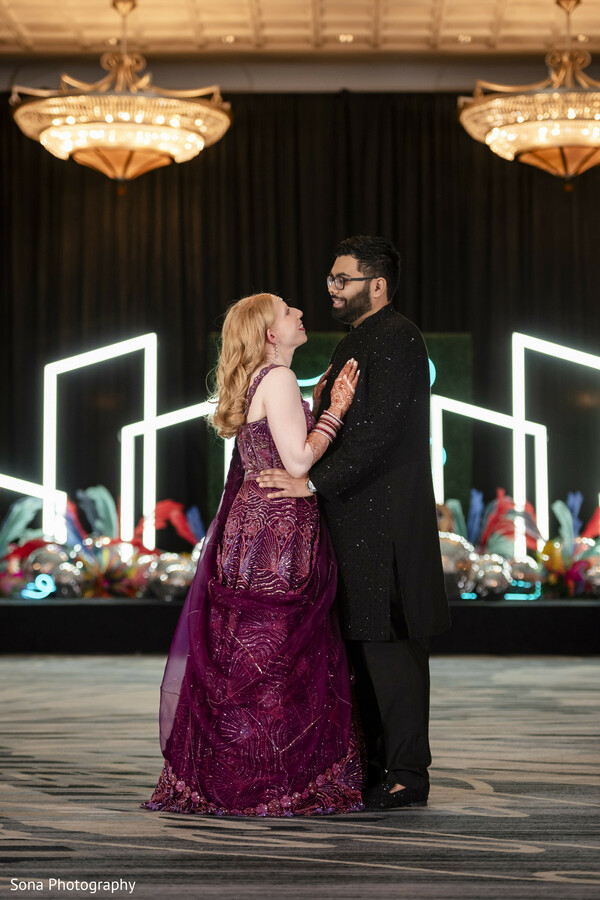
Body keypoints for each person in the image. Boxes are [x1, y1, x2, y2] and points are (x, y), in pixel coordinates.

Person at [142, 292, 363, 817]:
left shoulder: (255, 379)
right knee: (277, 651)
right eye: (288, 311)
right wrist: (335, 411)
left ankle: (230, 775)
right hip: (278, 529)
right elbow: (298, 460)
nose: (300, 314)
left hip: (248, 526)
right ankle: (271, 782)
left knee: (246, 649)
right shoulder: (279, 378)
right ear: (270, 333)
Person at [258, 236, 450, 809]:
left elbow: (380, 434)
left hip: (386, 523)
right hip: (351, 521)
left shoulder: (398, 337)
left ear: (378, 285)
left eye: (343, 279)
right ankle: (372, 767)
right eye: (331, 279)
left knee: (391, 651)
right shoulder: (356, 341)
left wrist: (312, 483)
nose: (332, 289)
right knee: (360, 652)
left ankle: (407, 775)